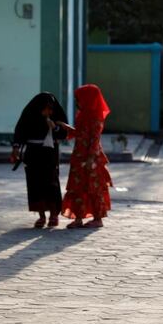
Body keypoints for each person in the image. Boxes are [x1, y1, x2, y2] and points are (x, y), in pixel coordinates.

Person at [11, 92, 68, 228]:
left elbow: (64, 133)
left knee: (51, 182)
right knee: (35, 183)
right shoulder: (29, 116)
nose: (49, 111)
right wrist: (16, 147)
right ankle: (41, 215)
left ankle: (54, 215)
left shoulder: (55, 118)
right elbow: (20, 132)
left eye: (51, 109)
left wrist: (55, 127)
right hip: (33, 152)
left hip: (50, 153)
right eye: (46, 108)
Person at [61, 84, 113, 229]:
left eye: (79, 98)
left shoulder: (96, 117)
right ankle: (77, 218)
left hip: (91, 157)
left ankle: (97, 219)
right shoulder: (82, 114)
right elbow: (80, 133)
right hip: (78, 155)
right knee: (76, 187)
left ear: (88, 99)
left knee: (93, 188)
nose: (77, 102)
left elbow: (94, 139)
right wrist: (67, 128)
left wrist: (90, 159)